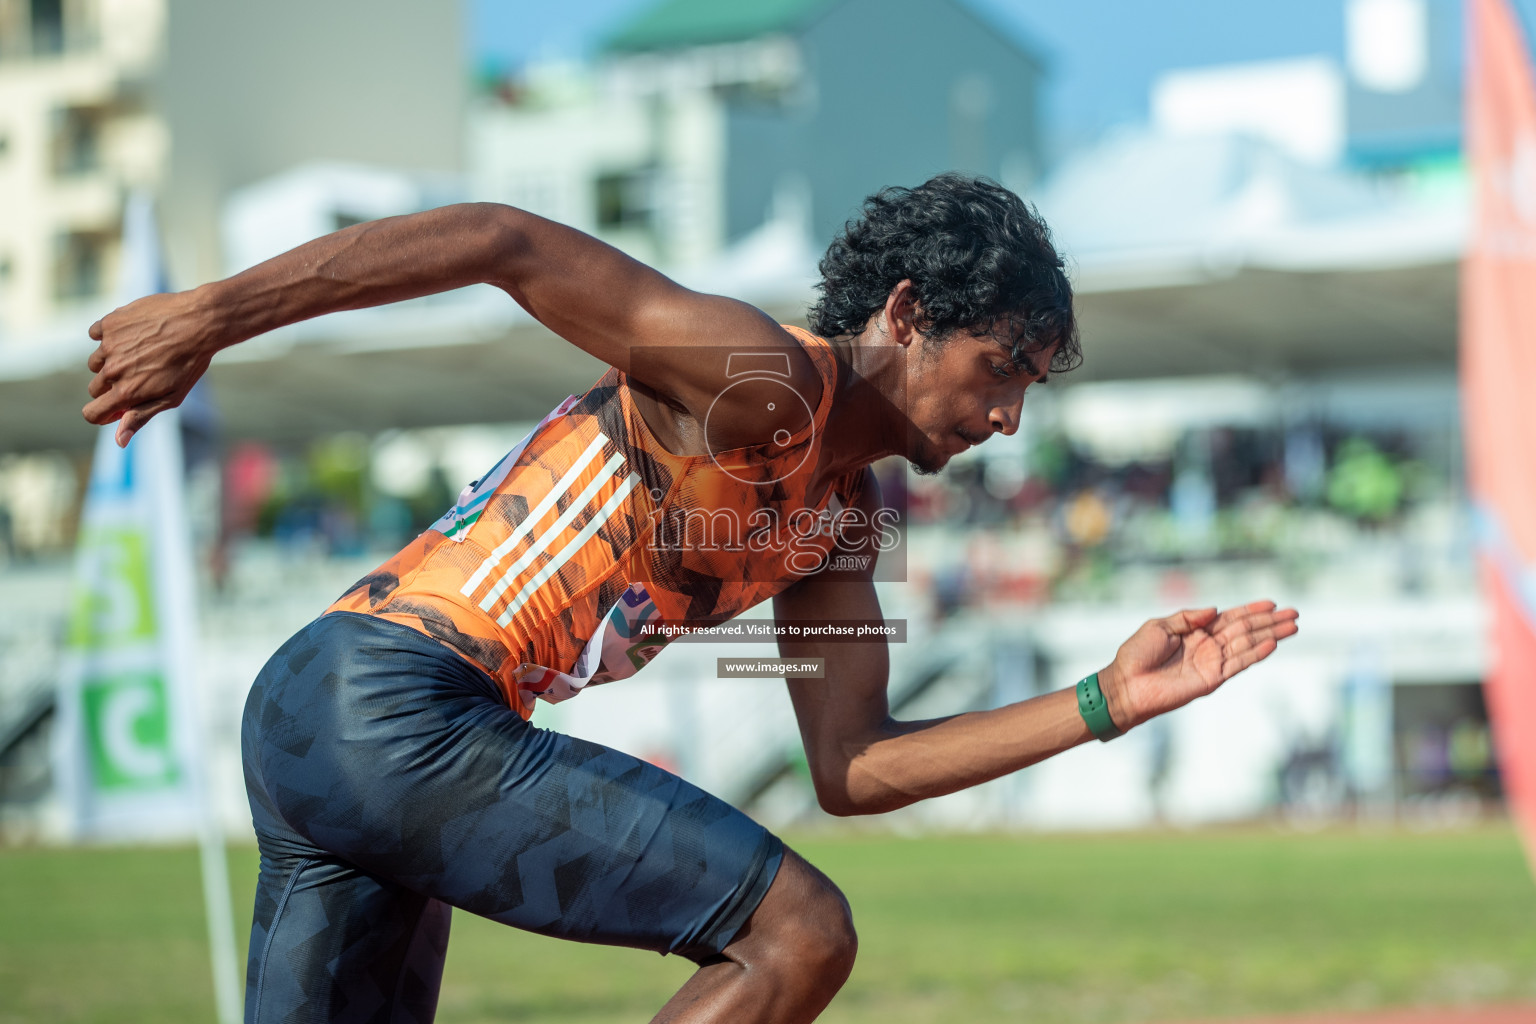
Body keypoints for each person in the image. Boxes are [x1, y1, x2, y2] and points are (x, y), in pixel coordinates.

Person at [82, 174, 1299, 1024]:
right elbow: (503, 240)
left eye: (1031, 385)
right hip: (391, 703)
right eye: (998, 369)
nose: (1008, 418)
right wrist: (208, 316)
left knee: (802, 925)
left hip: (320, 718)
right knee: (800, 934)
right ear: (909, 313)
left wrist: (1104, 700)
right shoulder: (763, 380)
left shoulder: (846, 521)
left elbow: (854, 766)